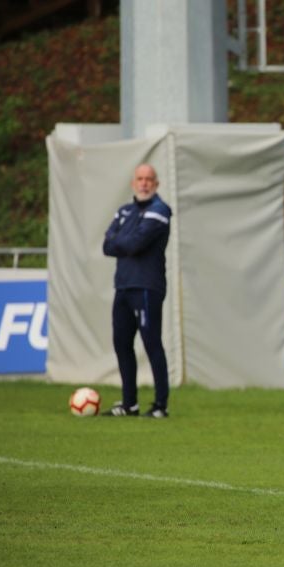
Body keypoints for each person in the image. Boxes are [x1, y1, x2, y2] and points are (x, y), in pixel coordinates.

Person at [102, 163, 173, 419]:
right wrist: (125, 241)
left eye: (149, 179)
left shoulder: (160, 211)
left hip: (147, 287)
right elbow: (107, 245)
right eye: (140, 179)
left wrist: (123, 240)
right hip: (123, 286)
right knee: (122, 344)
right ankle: (129, 404)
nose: (144, 183)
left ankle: (160, 405)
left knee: (151, 343)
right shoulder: (124, 211)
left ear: (156, 184)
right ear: (133, 183)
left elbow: (134, 243)